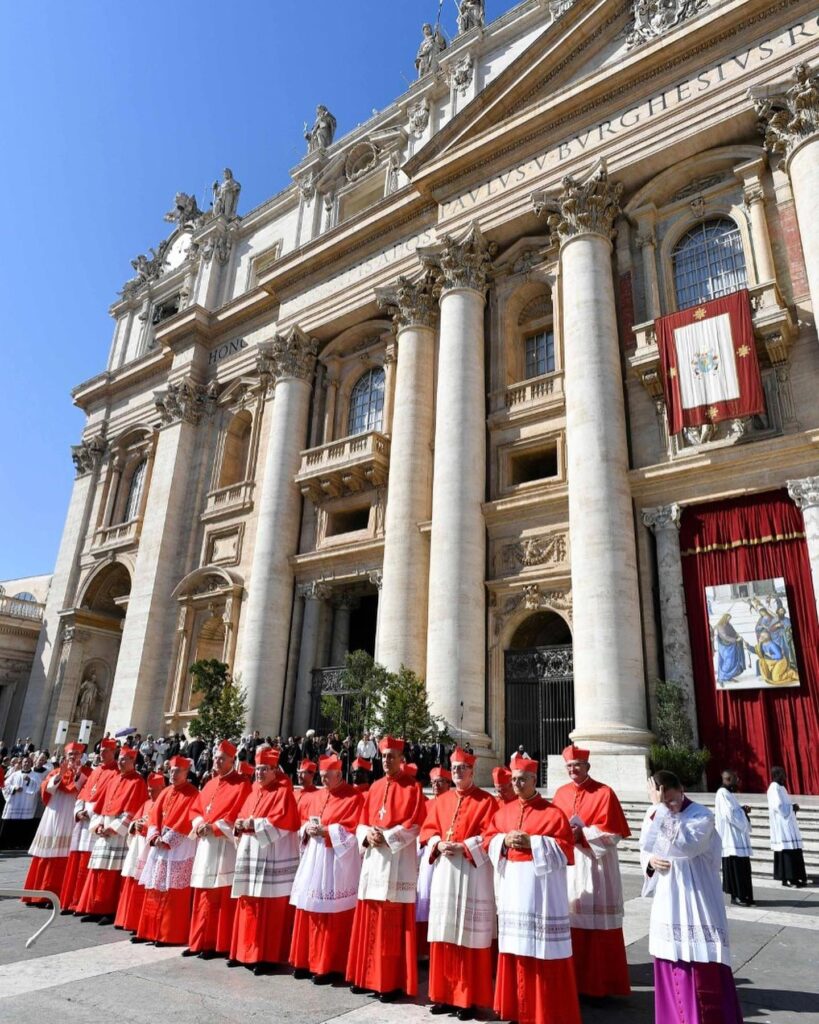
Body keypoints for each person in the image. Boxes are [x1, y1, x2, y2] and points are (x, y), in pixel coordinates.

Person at [640, 770, 743, 1024]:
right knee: (669, 959)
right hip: (668, 901)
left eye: (672, 801)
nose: (669, 807)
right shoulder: (654, 813)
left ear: (682, 788)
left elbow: (686, 845)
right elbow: (646, 846)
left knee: (702, 971)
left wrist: (659, 809)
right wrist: (651, 862)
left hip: (697, 902)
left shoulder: (702, 816)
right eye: (664, 802)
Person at [484, 754, 581, 1024]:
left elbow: (565, 850)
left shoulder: (552, 813)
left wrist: (533, 843)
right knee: (515, 947)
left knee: (541, 951)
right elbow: (488, 840)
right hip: (513, 889)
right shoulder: (503, 812)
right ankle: (516, 1009)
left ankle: (544, 1012)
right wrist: (504, 840)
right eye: (514, 779)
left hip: (541, 893)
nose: (517, 784)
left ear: (534, 780)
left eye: (522, 779)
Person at [346, 735, 427, 1003]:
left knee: (391, 925)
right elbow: (360, 822)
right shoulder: (375, 787)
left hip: (395, 863)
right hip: (373, 862)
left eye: (392, 756)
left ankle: (388, 982)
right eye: (383, 756)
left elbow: (416, 825)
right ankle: (364, 976)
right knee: (369, 919)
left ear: (401, 759)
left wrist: (388, 837)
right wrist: (367, 834)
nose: (387, 760)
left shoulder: (413, 788)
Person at [551, 743, 631, 1000]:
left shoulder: (605, 793)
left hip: (597, 867)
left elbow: (614, 834)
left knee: (598, 927)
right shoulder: (560, 794)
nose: (573, 769)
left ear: (587, 766)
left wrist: (582, 834)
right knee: (572, 922)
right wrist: (564, 835)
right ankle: (572, 980)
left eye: (577, 765)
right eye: (569, 766)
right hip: (570, 868)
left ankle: (601, 985)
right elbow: (550, 827)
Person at [422, 748, 497, 1021]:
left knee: (465, 936)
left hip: (469, 873)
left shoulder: (486, 801)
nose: (457, 773)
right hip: (445, 870)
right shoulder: (442, 801)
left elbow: (491, 835)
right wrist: (438, 843)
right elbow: (428, 830)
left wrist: (465, 846)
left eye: (462, 769)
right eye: (454, 769)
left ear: (472, 771)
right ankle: (442, 994)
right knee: (444, 934)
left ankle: (466, 999)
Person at [289, 753, 365, 983]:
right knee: (308, 907)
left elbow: (353, 832)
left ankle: (327, 965)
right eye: (321, 776)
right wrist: (307, 830)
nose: (323, 781)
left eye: (326, 777)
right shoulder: (317, 795)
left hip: (336, 862)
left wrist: (328, 831)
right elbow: (304, 823)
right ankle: (304, 961)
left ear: (339, 775)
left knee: (330, 913)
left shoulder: (353, 797)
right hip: (314, 857)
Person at [229, 746, 300, 974]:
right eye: (257, 769)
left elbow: (282, 822)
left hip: (270, 857)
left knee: (267, 908)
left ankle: (265, 957)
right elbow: (242, 815)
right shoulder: (253, 792)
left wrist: (252, 825)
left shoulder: (283, 792)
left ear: (274, 770)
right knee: (248, 903)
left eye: (264, 769)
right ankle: (243, 952)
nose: (259, 774)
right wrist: (240, 825)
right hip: (251, 854)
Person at [185, 739, 252, 959]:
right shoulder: (210, 783)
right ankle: (197, 941)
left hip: (223, 845)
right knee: (202, 892)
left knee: (219, 896)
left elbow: (238, 814)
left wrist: (213, 828)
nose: (217, 761)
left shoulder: (241, 784)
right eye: (215, 757)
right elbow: (195, 809)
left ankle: (216, 943)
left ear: (232, 760)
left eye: (222, 758)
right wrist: (198, 824)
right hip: (205, 845)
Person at [76, 746, 147, 924]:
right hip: (105, 827)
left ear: (133, 762)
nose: (121, 762)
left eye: (125, 759)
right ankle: (94, 908)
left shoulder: (137, 782)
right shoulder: (114, 779)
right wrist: (98, 824)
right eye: (120, 758)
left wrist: (114, 828)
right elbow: (100, 805)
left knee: (112, 873)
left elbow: (133, 811)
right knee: (98, 870)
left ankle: (108, 910)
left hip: (118, 833)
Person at [135, 755, 201, 946]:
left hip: (178, 848)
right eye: (171, 771)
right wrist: (154, 835)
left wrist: (168, 840)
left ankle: (168, 934)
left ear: (186, 773)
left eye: (177, 771)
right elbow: (154, 815)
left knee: (173, 891)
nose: (173, 774)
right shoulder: (165, 792)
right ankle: (149, 931)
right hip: (159, 845)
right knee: (155, 887)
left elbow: (187, 820)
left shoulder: (193, 793)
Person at [22, 742, 89, 906]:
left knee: (64, 855)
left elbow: (86, 791)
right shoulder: (55, 771)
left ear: (81, 756)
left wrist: (77, 776)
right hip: (53, 815)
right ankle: (37, 894)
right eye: (70, 755)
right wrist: (60, 776)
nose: (73, 757)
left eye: (76, 754)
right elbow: (47, 789)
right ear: (65, 757)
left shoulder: (87, 773)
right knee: (47, 852)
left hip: (71, 816)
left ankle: (58, 895)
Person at [61, 737, 120, 911]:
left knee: (88, 862)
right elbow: (84, 792)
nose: (102, 754)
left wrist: (93, 813)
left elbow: (110, 799)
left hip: (96, 820)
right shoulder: (95, 771)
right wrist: (78, 811)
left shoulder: (116, 772)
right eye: (100, 751)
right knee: (77, 859)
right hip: (83, 819)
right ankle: (71, 900)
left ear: (114, 752)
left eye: (106, 751)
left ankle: (82, 902)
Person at [114, 771, 166, 932]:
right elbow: (135, 819)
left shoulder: (164, 804)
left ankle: (138, 923)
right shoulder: (146, 802)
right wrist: (135, 825)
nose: (150, 793)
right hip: (139, 847)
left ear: (162, 788)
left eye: (154, 790)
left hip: (149, 848)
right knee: (132, 881)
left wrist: (144, 827)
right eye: (149, 790)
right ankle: (125, 919)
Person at [715, 770, 754, 905]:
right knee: (736, 869)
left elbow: (733, 811)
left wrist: (742, 809)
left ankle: (745, 895)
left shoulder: (728, 794)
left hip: (736, 838)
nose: (737, 781)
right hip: (731, 839)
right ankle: (737, 896)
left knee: (743, 868)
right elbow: (729, 815)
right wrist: (742, 811)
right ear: (728, 779)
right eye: (736, 779)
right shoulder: (722, 793)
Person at [767, 766, 807, 887]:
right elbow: (779, 807)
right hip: (782, 826)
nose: (785, 776)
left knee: (794, 850)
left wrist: (793, 806)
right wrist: (791, 808)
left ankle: (795, 877)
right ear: (777, 775)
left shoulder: (781, 787)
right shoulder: (774, 788)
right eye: (783, 774)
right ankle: (788, 879)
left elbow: (786, 804)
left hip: (788, 824)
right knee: (786, 851)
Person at [1, 755, 40, 849]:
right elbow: (4, 785)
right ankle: (6, 844)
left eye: (28, 762)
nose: (26, 764)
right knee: (10, 824)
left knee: (23, 825)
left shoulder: (35, 775)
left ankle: (20, 844)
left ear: (31, 764)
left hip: (27, 804)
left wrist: (30, 781)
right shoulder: (15, 774)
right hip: (14, 803)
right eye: (24, 762)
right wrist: (14, 788)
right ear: (21, 763)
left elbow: (38, 787)